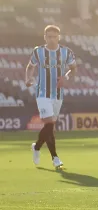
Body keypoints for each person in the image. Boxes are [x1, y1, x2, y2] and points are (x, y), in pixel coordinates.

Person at [25, 25, 77, 169]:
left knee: (50, 126)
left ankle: (36, 147)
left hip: (58, 94)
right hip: (42, 92)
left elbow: (73, 69)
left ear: (59, 37)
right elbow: (30, 66)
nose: (52, 39)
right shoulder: (39, 52)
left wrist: (65, 77)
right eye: (49, 36)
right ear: (45, 37)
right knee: (49, 124)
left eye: (54, 36)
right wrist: (28, 78)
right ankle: (55, 158)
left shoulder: (66, 52)